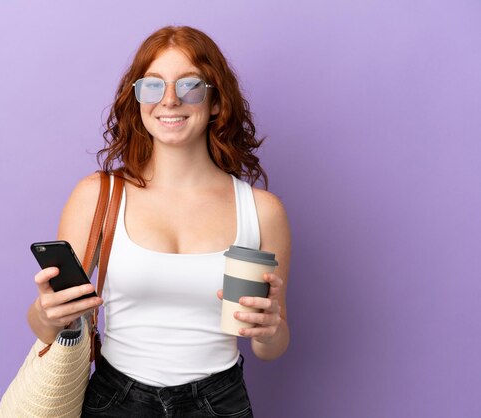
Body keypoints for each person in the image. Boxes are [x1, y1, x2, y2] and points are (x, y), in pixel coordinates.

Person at [27, 25, 291, 417]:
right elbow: (49, 322)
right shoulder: (98, 195)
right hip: (115, 400)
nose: (169, 100)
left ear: (216, 102)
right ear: (136, 101)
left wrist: (270, 331)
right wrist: (45, 314)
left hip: (219, 402)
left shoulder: (260, 210)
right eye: (152, 86)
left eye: (190, 86)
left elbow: (270, 346)